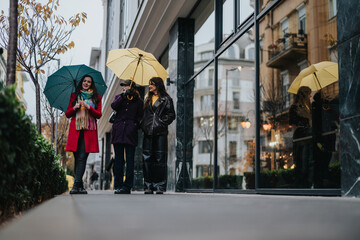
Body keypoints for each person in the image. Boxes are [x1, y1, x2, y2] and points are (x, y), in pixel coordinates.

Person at [65, 75, 102, 194]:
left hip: (88, 132)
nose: (86, 83)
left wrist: (88, 107)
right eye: (84, 81)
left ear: (92, 84)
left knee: (82, 157)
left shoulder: (96, 98)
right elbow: (67, 114)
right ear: (81, 82)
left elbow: (99, 114)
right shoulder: (74, 96)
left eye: (89, 82)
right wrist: (75, 107)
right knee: (77, 158)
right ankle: (80, 186)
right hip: (76, 131)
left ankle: (75, 186)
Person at [141, 77, 176, 194]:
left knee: (160, 160)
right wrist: (144, 125)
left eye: (152, 84)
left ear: (158, 85)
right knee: (147, 159)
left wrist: (160, 123)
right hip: (147, 133)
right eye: (149, 84)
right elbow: (144, 115)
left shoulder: (166, 99)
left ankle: (159, 186)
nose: (149, 86)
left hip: (160, 133)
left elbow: (171, 115)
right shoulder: (147, 99)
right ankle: (148, 186)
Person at [111, 79, 144, 194]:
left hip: (130, 133)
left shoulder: (139, 101)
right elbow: (113, 106)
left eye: (125, 86)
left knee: (130, 161)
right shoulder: (119, 97)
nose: (123, 87)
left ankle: (127, 186)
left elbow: (140, 116)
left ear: (132, 87)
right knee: (119, 161)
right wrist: (123, 96)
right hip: (118, 131)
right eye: (123, 86)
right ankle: (118, 185)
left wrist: (135, 125)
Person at [312, 90, 337, 188]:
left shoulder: (325, 108)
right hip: (322, 139)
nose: (326, 96)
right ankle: (320, 182)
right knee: (322, 161)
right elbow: (317, 125)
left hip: (327, 137)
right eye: (324, 94)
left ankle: (323, 180)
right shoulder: (317, 108)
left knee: (326, 159)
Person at [289, 86, 312, 188]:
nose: (310, 96)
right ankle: (300, 183)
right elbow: (292, 121)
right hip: (301, 137)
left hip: (309, 136)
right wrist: (305, 120)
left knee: (307, 161)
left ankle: (306, 182)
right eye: (308, 94)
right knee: (301, 160)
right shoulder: (295, 107)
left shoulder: (309, 107)